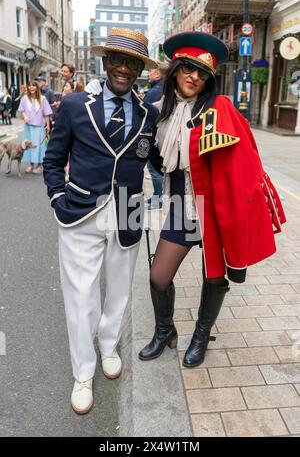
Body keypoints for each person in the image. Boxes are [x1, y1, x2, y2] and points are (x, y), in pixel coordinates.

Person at [139, 31, 286, 369]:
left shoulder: (220, 108)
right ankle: (165, 331)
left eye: (202, 73)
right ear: (176, 68)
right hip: (180, 205)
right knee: (158, 276)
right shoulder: (156, 107)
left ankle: (201, 335)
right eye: (189, 68)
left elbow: (245, 159)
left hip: (214, 209)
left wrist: (248, 202)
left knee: (214, 276)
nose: (194, 77)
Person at [43, 28, 162, 415]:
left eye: (132, 62)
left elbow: (162, 162)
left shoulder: (150, 114)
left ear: (141, 68)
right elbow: (52, 158)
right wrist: (58, 198)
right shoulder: (76, 105)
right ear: (105, 61)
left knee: (120, 292)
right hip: (80, 211)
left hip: (127, 213)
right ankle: (83, 371)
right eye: (117, 60)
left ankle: (109, 345)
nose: (123, 68)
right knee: (81, 296)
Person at [144, 62, 168, 210]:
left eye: (151, 71)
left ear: (158, 74)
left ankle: (159, 198)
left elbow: (145, 114)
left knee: (154, 168)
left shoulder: (155, 92)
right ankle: (157, 196)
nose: (148, 74)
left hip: (154, 136)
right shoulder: (164, 88)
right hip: (161, 136)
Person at [18, 81, 52, 174]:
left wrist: (48, 126)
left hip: (39, 126)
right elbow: (22, 110)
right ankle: (31, 164)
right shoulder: (25, 98)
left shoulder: (43, 99)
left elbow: (46, 114)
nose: (31, 88)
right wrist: (24, 116)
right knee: (28, 145)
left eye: (33, 86)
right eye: (29, 86)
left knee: (39, 146)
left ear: (37, 87)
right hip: (28, 127)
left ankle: (40, 165)